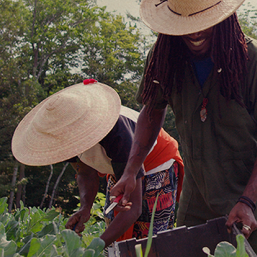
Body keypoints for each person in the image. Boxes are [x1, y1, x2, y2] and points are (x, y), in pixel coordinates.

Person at [111, 0, 257, 257]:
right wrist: (130, 169)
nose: (195, 33)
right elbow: (151, 113)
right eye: (186, 24)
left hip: (251, 201)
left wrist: (247, 201)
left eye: (204, 22)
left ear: (225, 16)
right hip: (197, 202)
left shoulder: (256, 61)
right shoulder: (164, 57)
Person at [11, 79, 183, 247]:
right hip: (119, 167)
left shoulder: (117, 132)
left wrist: (96, 246)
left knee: (147, 237)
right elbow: (85, 172)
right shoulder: (64, 138)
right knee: (113, 222)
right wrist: (85, 207)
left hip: (156, 161)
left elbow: (134, 208)